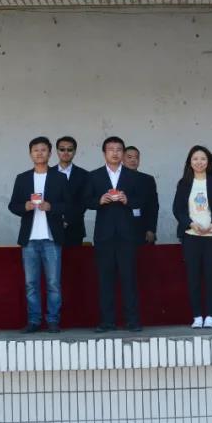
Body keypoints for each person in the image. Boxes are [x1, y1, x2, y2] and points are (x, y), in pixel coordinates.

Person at [85, 137, 146, 332]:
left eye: (119, 149)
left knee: (129, 279)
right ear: (104, 153)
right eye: (111, 149)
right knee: (105, 280)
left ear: (123, 153)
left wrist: (128, 200)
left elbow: (142, 200)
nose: (115, 153)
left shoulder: (133, 176)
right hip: (104, 235)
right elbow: (85, 200)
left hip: (127, 235)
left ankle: (132, 321)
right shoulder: (94, 176)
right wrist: (99, 200)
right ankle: (107, 321)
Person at [8, 137, 68, 333]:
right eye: (36, 150)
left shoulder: (59, 178)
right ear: (30, 154)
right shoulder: (22, 178)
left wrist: (51, 207)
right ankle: (34, 321)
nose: (39, 153)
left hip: (52, 238)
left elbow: (69, 205)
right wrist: (24, 207)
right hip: (29, 239)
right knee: (31, 284)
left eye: (43, 150)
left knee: (53, 283)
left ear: (50, 153)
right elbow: (12, 205)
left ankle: (53, 320)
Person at [172, 145, 212, 328]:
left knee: (211, 276)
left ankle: (211, 316)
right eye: (195, 159)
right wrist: (190, 223)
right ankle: (197, 316)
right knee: (193, 277)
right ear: (190, 162)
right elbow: (178, 209)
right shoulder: (184, 183)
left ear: (209, 162)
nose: (199, 162)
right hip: (191, 235)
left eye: (203, 159)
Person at [53, 135, 89, 247]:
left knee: (74, 258)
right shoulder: (48, 173)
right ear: (57, 151)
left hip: (75, 228)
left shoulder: (84, 175)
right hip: (51, 227)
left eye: (69, 149)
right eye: (62, 149)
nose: (66, 152)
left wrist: (67, 220)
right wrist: (57, 221)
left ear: (75, 151)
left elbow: (84, 202)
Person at [123, 145, 159, 244]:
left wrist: (151, 229)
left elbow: (153, 206)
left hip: (142, 228)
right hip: (121, 230)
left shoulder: (148, 179)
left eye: (136, 157)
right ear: (122, 159)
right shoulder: (115, 179)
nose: (133, 160)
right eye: (129, 157)